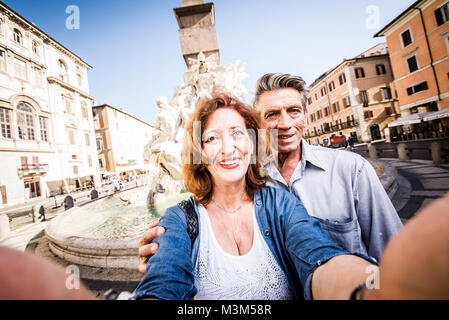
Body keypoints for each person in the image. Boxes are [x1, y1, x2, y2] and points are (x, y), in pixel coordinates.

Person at [138, 73, 403, 273]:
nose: (285, 124)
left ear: (306, 115)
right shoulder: (247, 179)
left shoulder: (351, 170)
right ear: (259, 124)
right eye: (273, 114)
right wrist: (167, 247)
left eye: (294, 111)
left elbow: (392, 250)